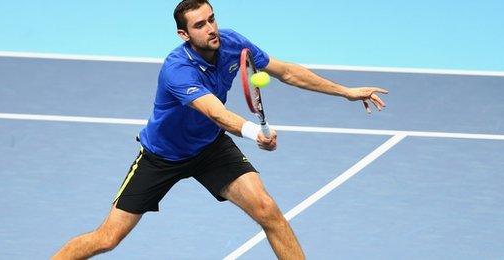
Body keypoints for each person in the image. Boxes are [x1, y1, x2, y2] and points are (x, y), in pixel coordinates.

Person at [52, 0, 387, 259]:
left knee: (268, 211)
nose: (211, 28)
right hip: (162, 155)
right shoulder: (177, 69)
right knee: (108, 238)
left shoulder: (232, 43)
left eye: (212, 18)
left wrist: (346, 91)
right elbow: (214, 111)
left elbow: (286, 71)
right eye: (200, 24)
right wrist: (256, 134)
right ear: (184, 34)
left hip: (209, 149)